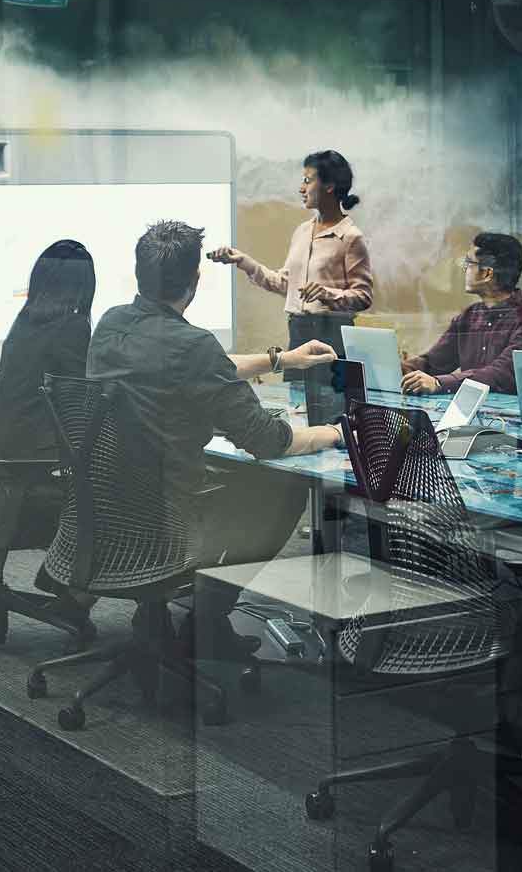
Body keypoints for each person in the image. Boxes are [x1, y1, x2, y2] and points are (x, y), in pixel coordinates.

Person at [89, 219, 344, 659]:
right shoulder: (192, 345)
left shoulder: (112, 324)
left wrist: (281, 360)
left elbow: (200, 364)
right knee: (282, 486)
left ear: (138, 274)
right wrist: (335, 432)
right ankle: (207, 619)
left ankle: (155, 616)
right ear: (196, 279)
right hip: (166, 520)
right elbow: (269, 440)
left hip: (108, 507)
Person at [208, 149, 374, 420]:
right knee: (297, 410)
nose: (301, 187)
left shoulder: (350, 237)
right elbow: (283, 284)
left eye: (308, 180)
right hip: (298, 333)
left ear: (329, 186)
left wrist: (327, 294)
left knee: (333, 416)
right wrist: (243, 261)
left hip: (332, 337)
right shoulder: (302, 231)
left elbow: (364, 296)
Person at [0, 240, 101, 620]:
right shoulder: (71, 327)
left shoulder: (26, 320)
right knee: (121, 488)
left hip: (2, 447)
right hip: (27, 454)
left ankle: (63, 579)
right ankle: (73, 589)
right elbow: (84, 400)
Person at [400, 231, 522, 395]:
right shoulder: (469, 316)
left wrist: (439, 383)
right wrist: (405, 367)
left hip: (509, 418)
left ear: (487, 273)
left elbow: (498, 375)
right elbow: (435, 362)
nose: (464, 269)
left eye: (468, 263)